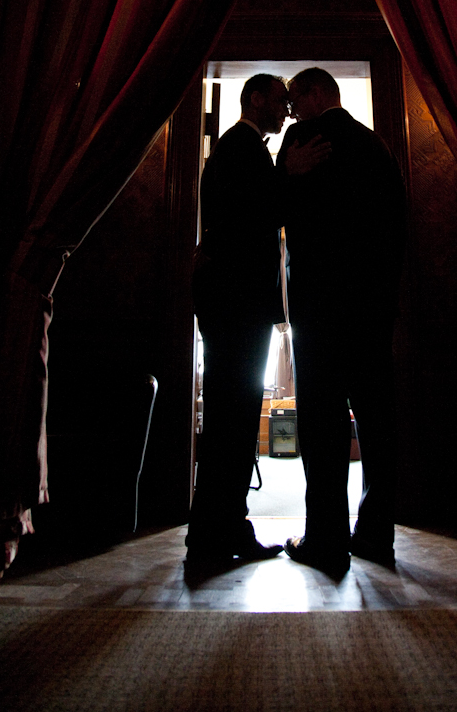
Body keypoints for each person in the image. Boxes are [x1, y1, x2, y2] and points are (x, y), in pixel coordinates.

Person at [187, 73, 328, 565]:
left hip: (231, 303)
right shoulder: (242, 148)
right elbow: (255, 215)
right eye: (281, 101)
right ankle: (217, 534)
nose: (287, 112)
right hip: (236, 302)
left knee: (233, 416)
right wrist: (290, 173)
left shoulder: (238, 149)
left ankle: (219, 531)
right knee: (232, 418)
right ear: (254, 98)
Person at [276, 67, 406, 575]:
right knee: (377, 422)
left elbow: (278, 212)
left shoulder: (301, 140)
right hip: (372, 308)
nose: (289, 111)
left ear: (312, 95)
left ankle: (326, 540)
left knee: (322, 424)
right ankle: (376, 538)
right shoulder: (376, 147)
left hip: (320, 307)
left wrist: (288, 174)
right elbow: (398, 227)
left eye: (292, 99)